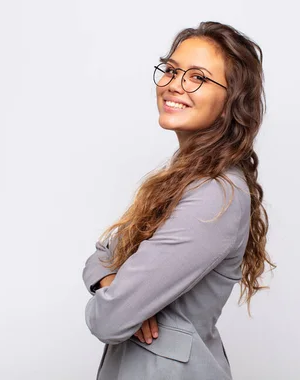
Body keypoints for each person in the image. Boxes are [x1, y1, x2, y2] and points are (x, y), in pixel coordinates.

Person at [82, 21, 275, 380]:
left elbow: (108, 319)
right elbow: (99, 258)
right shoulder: (183, 181)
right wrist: (116, 287)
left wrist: (124, 303)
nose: (174, 84)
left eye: (197, 77)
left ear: (230, 101)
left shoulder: (214, 195)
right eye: (171, 70)